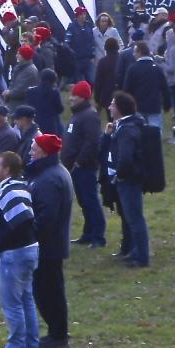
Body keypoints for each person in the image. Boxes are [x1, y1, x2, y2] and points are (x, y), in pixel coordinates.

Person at [26, 134, 75, 348]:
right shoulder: (52, 173)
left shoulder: (49, 179)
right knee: (49, 289)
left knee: (48, 291)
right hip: (51, 244)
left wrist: (29, 234)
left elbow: (46, 217)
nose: (30, 152)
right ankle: (57, 332)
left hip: (48, 246)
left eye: (34, 148)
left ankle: (58, 334)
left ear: (44, 152)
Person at [0, 151, 40, 348]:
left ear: (7, 169)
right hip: (29, 250)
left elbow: (21, 220)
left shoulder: (10, 189)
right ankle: (31, 344)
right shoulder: (22, 185)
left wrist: (1, 243)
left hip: (15, 253)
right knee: (27, 299)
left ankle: (16, 347)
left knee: (11, 302)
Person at [104, 91, 150, 268]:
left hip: (128, 180)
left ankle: (141, 256)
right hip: (127, 179)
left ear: (120, 108)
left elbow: (126, 157)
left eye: (113, 104)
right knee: (131, 217)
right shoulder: (124, 126)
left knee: (135, 218)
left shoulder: (127, 130)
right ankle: (135, 251)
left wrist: (119, 176)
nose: (109, 107)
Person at [62, 81, 105, 248]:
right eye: (71, 94)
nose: (71, 98)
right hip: (74, 167)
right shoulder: (78, 114)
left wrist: (79, 161)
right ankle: (88, 233)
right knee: (83, 201)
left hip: (84, 167)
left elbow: (92, 142)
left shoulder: (89, 116)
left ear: (84, 97)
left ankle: (98, 236)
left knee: (90, 200)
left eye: (75, 95)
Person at [123, 41, 171, 131]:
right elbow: (165, 89)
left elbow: (127, 90)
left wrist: (126, 107)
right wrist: (167, 105)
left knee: (138, 134)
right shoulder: (158, 69)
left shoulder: (132, 69)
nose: (133, 54)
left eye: (134, 52)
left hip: (138, 107)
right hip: (154, 107)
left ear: (139, 52)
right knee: (155, 134)